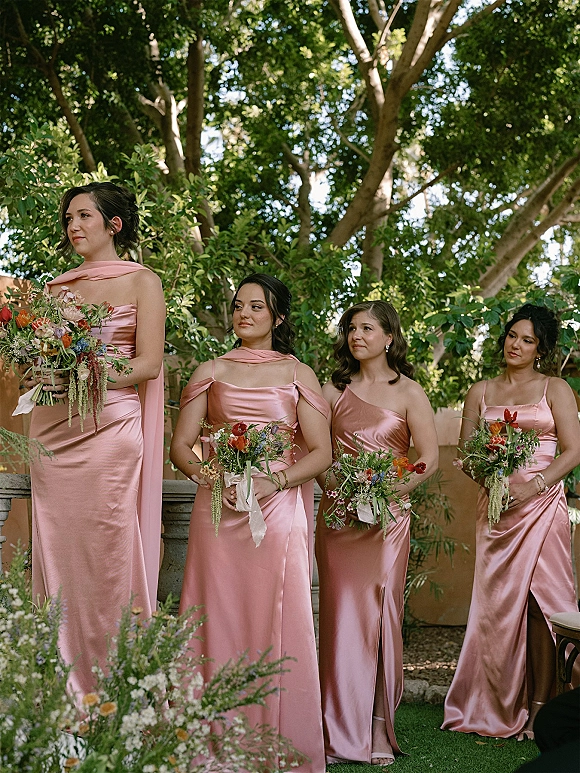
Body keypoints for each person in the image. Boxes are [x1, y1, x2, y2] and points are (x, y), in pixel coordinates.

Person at [170, 273, 332, 772]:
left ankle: (277, 738)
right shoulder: (211, 369)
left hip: (276, 511)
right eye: (238, 305)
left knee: (275, 616)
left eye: (256, 306)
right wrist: (209, 475)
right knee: (212, 612)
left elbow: (321, 452)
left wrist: (276, 481)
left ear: (277, 317)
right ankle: (206, 738)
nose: (244, 313)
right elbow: (180, 446)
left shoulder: (297, 373)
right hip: (218, 512)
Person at [27, 182, 166, 700]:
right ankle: (58, 692)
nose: (73, 227)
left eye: (84, 216)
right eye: (68, 218)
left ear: (114, 225)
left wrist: (88, 371)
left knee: (109, 553)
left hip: (110, 428)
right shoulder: (54, 290)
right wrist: (46, 370)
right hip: (53, 434)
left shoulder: (142, 282)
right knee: (57, 556)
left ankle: (116, 689)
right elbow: (39, 360)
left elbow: (148, 364)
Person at [442, 304, 580, 739]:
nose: (516, 345)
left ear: (540, 349)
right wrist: (493, 476)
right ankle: (497, 702)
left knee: (545, 607)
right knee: (499, 608)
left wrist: (533, 485)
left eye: (527, 340)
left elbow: (574, 452)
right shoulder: (479, 391)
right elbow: (465, 454)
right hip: (497, 512)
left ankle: (544, 708)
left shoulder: (554, 388)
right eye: (512, 336)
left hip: (542, 508)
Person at [315, 300, 439, 766]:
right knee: (341, 617)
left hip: (388, 521)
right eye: (351, 327)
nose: (356, 335)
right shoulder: (332, 391)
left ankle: (377, 727)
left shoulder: (410, 392)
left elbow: (428, 457)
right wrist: (343, 491)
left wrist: (388, 492)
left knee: (380, 617)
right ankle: (334, 728)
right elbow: (318, 451)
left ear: (389, 337)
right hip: (341, 519)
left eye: (366, 328)